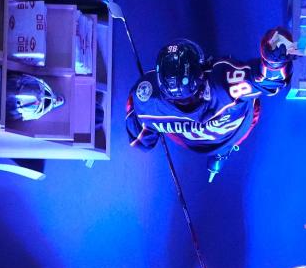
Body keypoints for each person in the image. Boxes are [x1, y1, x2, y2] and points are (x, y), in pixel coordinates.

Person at [124, 28, 293, 181]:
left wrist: (150, 117)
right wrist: (274, 61)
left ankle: (220, 155)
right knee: (249, 105)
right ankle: (221, 154)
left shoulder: (146, 100)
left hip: (192, 143)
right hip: (235, 132)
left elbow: (141, 142)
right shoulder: (224, 84)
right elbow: (269, 81)